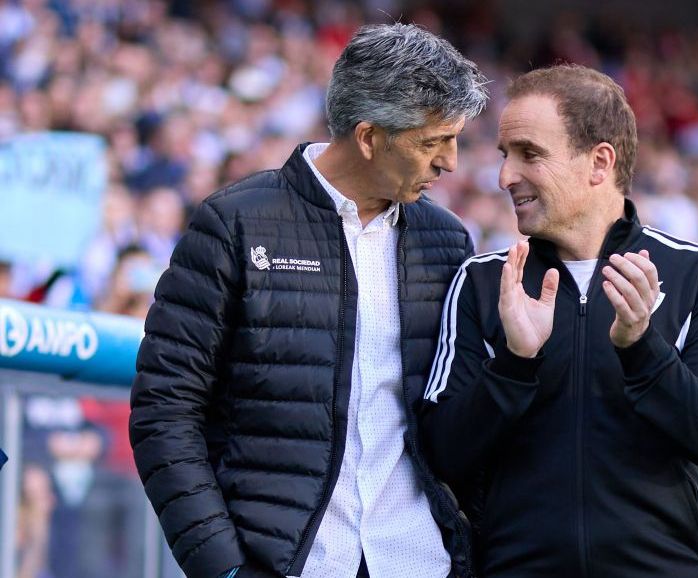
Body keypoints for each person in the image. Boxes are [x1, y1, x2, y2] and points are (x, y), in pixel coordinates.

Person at [129, 23, 487, 578]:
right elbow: (165, 408)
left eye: (455, 139)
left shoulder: (447, 240)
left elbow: (452, 420)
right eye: (432, 142)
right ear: (368, 138)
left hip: (421, 561)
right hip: (289, 563)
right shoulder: (234, 223)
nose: (451, 162)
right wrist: (223, 566)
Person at [420, 64, 698, 577]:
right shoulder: (483, 282)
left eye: (529, 154)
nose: (506, 176)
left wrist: (642, 348)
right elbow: (442, 453)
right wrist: (514, 364)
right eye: (505, 154)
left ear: (599, 163)